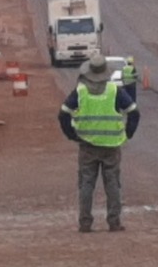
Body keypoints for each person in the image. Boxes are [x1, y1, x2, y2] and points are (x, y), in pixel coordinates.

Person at [59, 54, 141, 232]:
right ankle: (114, 221)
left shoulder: (80, 91)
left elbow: (63, 113)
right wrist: (128, 133)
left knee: (86, 184)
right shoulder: (114, 90)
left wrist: (72, 135)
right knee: (112, 183)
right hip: (111, 145)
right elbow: (134, 112)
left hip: (87, 145)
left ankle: (85, 222)